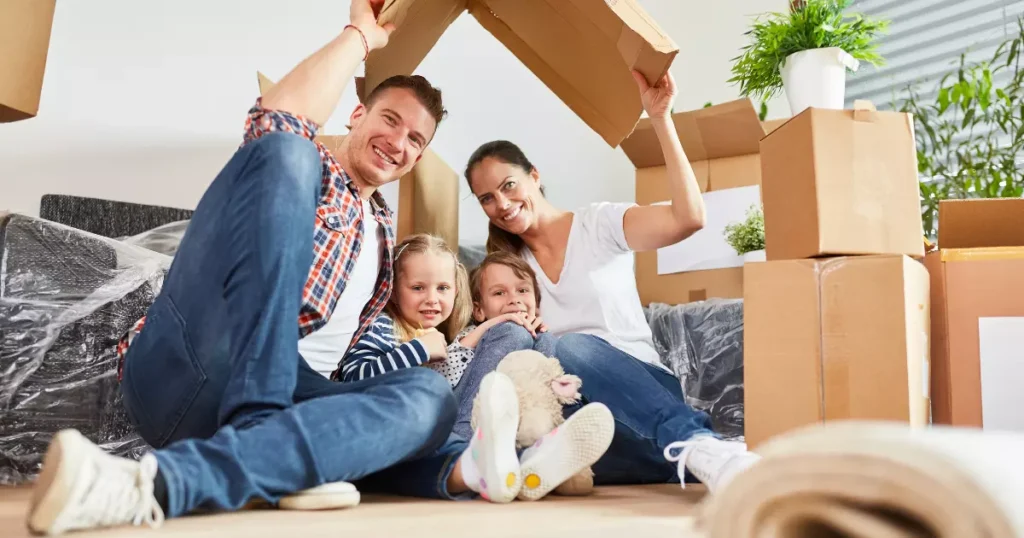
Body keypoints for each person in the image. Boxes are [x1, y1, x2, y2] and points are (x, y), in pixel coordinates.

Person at [24, 1, 526, 535]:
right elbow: (281, 122)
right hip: (193, 366)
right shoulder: (313, 171)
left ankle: (176, 481)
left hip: (294, 394)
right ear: (357, 116)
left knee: (429, 400)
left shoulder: (383, 239)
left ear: (419, 159)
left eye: (415, 140)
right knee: (288, 151)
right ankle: (266, 423)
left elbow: (360, 365)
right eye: (390, 120)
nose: (399, 142)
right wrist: (360, 35)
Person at [462, 70, 762, 494]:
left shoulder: (598, 223)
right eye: (487, 199)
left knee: (573, 345)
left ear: (534, 175)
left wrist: (661, 118)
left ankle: (696, 442)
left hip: (639, 388)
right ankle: (682, 458)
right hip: (572, 406)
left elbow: (688, 217)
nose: (502, 204)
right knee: (541, 421)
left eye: (508, 186)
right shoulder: (508, 271)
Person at [335, 233, 615, 502]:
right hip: (424, 426)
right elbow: (354, 377)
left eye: (442, 288)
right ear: (395, 293)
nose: (432, 298)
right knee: (514, 334)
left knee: (543, 342)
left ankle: (534, 449)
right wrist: (420, 349)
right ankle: (476, 447)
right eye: (418, 288)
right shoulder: (385, 326)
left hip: (452, 419)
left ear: (456, 292)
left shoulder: (444, 332)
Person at [448, 251, 556, 440]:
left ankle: (539, 437)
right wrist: (496, 324)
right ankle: (463, 438)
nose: (514, 299)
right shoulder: (474, 333)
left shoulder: (542, 337)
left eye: (522, 290)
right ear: (479, 310)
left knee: (547, 340)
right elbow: (448, 369)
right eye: (499, 293)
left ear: (537, 304)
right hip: (460, 410)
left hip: (509, 420)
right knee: (514, 332)